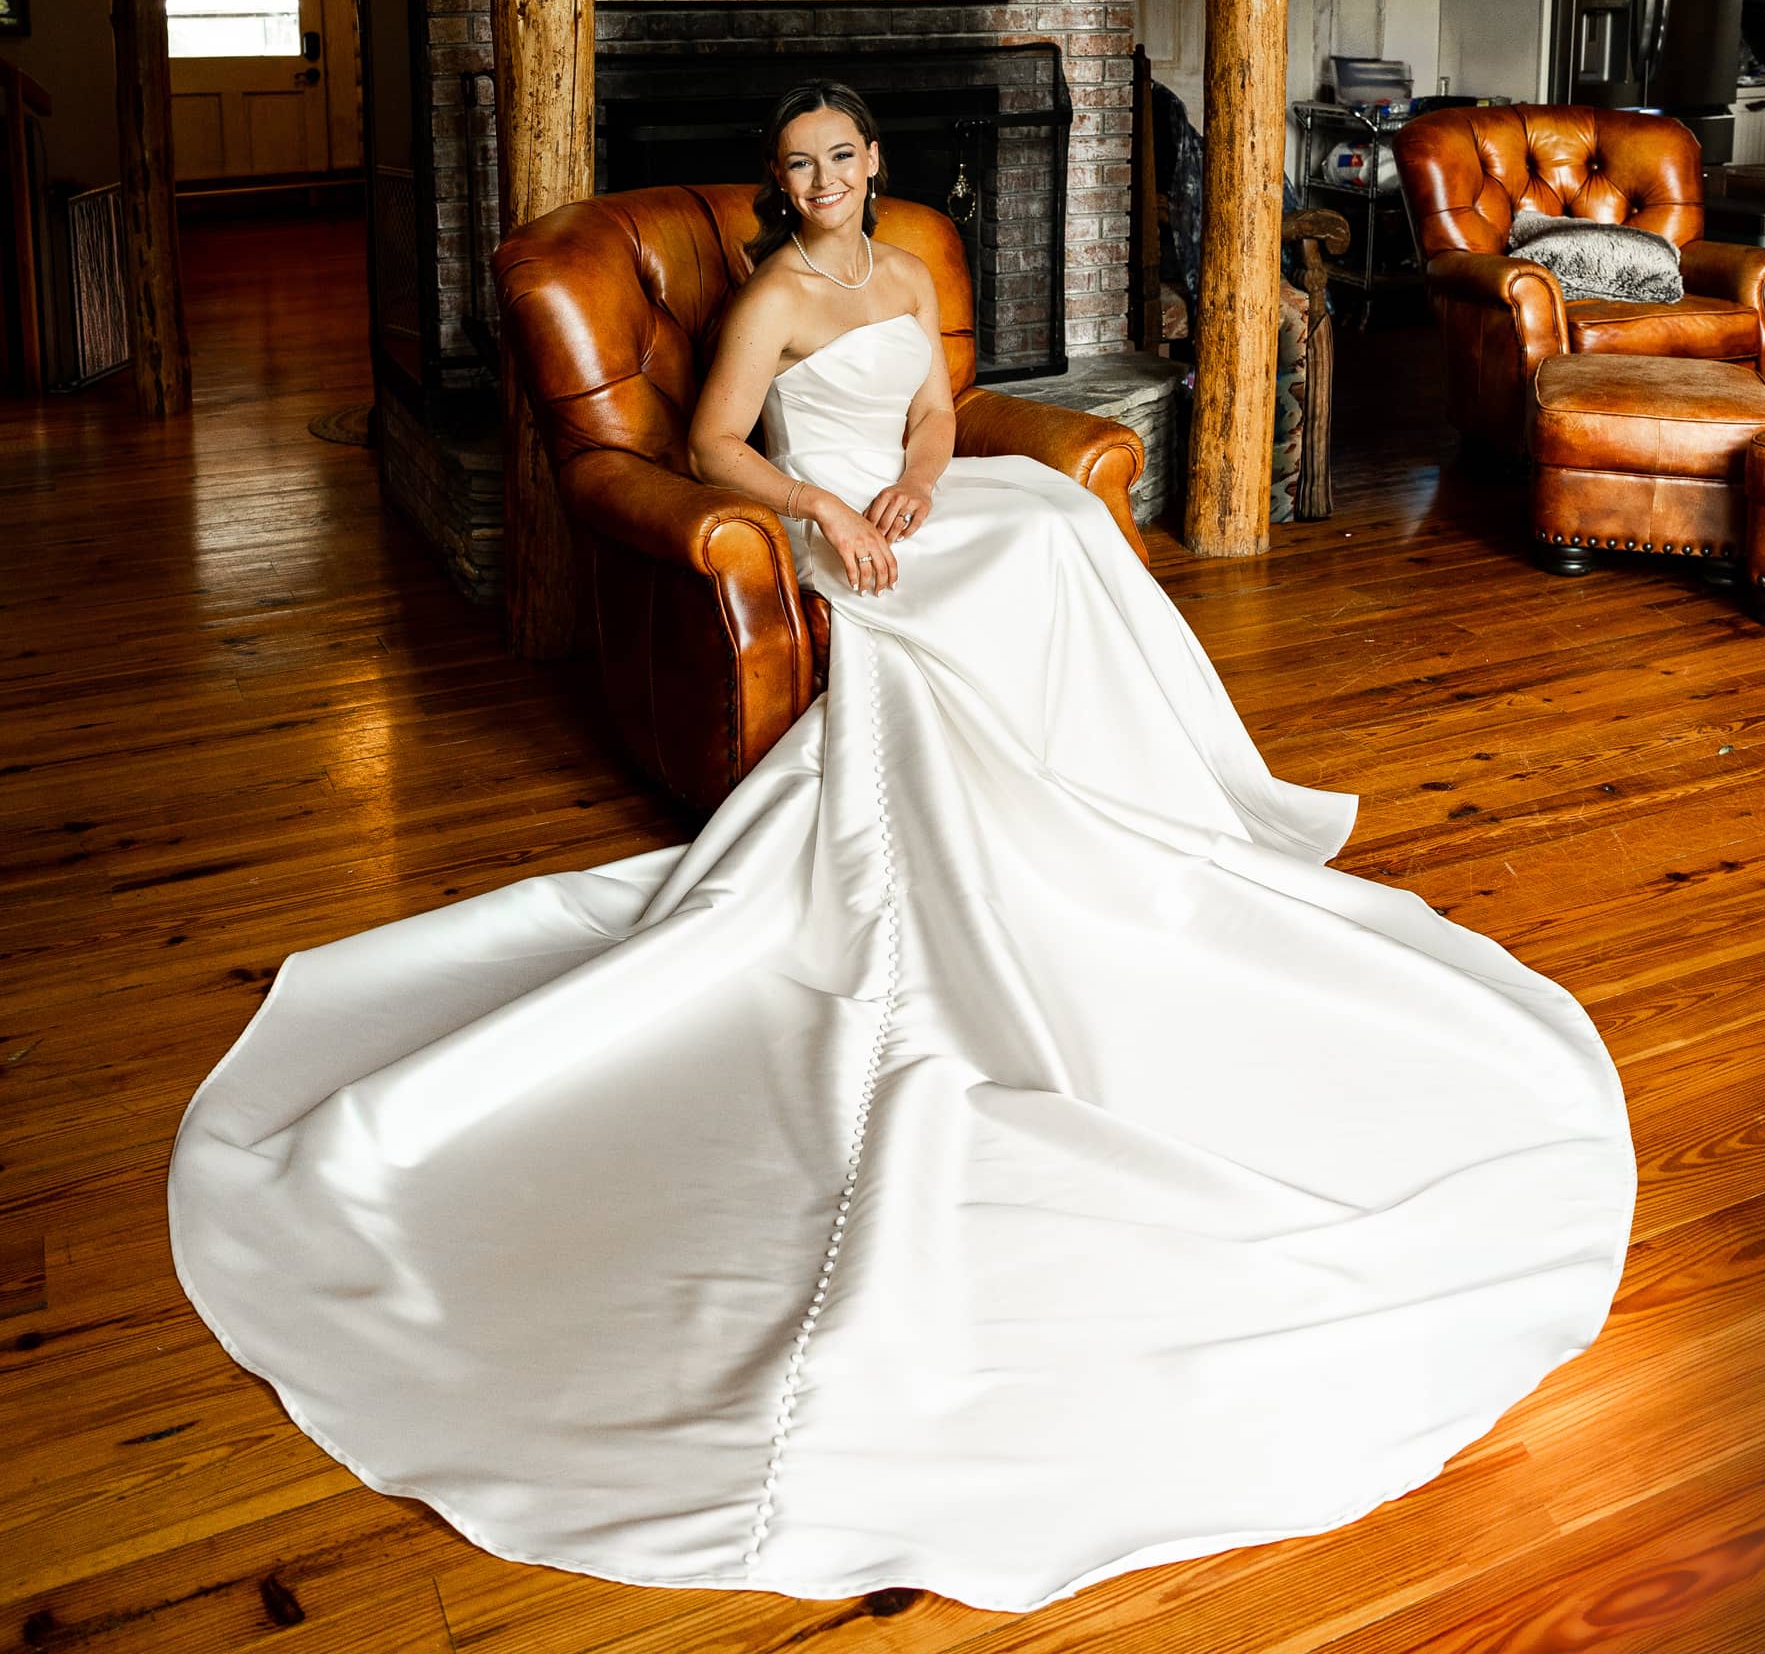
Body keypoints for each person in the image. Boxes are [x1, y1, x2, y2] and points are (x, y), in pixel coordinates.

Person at [168, 80, 1637, 1615]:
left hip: (917, 500)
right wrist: (828, 509)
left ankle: (1122, 798)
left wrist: (926, 475)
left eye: (840, 158)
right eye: (795, 163)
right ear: (777, 179)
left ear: (872, 163)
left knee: (1056, 530)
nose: (819, 180)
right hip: (831, 523)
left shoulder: (912, 263)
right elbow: (714, 443)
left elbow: (940, 403)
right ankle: (1014, 807)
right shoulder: (771, 295)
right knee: (1007, 567)